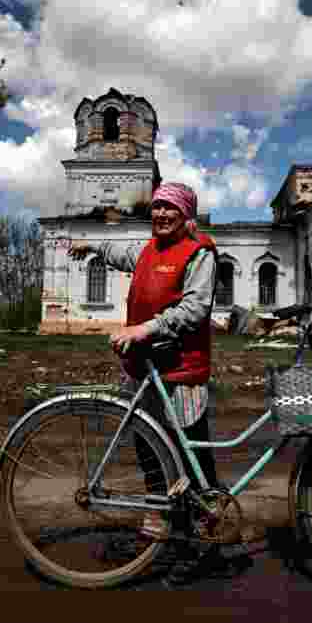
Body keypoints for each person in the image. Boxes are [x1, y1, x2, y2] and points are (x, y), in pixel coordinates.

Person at [67, 182, 220, 542]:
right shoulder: (151, 250)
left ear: (186, 216)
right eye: (157, 207)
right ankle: (158, 508)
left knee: (189, 448)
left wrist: (144, 329)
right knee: (147, 442)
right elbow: (122, 254)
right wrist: (93, 246)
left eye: (172, 209)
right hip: (146, 366)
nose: (162, 214)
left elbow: (195, 310)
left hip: (182, 368)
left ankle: (205, 527)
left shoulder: (199, 253)